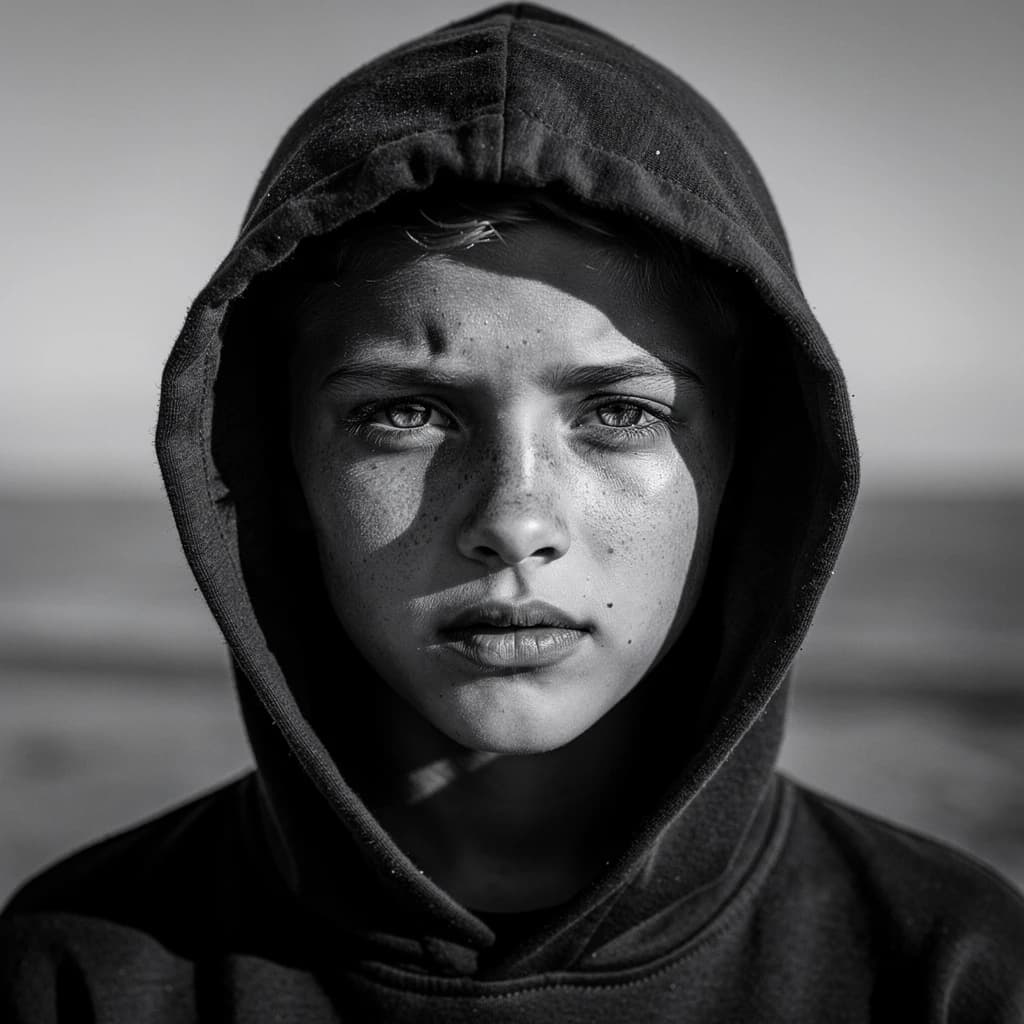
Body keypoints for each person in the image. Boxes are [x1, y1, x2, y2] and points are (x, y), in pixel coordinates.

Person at [2, 4, 1022, 1020]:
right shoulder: (83, 969)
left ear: (748, 468)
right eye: (404, 413)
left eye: (619, 411)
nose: (513, 519)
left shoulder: (949, 969)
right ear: (278, 471)